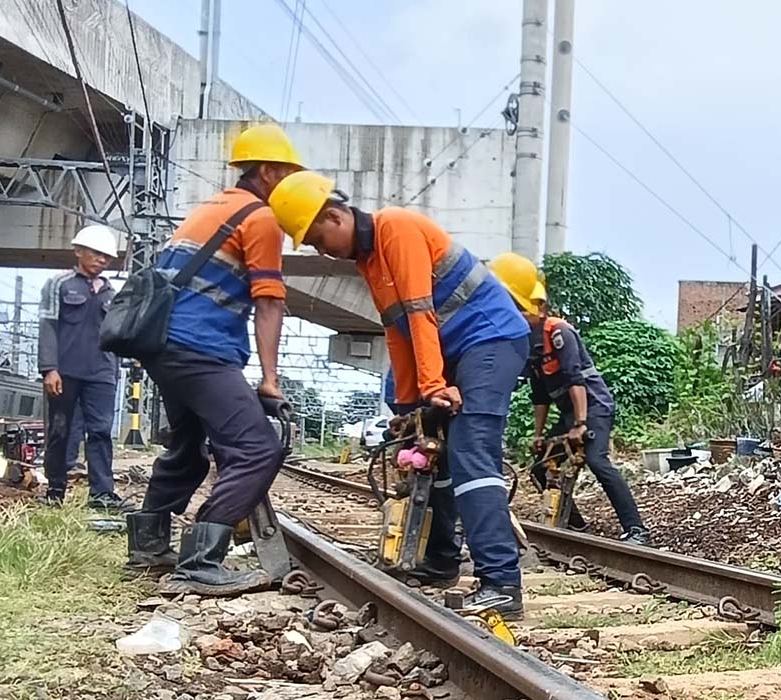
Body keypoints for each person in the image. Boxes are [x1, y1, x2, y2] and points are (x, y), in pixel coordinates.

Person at [266, 171, 530, 619]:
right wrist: (411, 408)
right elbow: (397, 334)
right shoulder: (370, 261)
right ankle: (442, 561)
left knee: (470, 451)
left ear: (335, 215)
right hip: (454, 352)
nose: (319, 250)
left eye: (316, 237)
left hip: (491, 341)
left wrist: (431, 387)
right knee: (435, 455)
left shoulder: (397, 228)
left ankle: (502, 581)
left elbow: (420, 311)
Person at [125, 124, 303, 595]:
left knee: (187, 445)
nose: (291, 185)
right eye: (287, 174)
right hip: (198, 349)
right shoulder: (261, 218)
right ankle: (200, 562)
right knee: (256, 449)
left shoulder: (212, 207)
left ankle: (147, 545)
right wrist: (269, 379)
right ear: (267, 172)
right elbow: (269, 301)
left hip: (164, 346)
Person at [489, 252, 653, 546]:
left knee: (596, 460)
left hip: (593, 407)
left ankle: (636, 529)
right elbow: (540, 395)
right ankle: (575, 527)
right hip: (569, 413)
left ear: (539, 307)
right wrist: (539, 435)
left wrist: (579, 423)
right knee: (541, 466)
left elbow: (575, 378)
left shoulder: (559, 331)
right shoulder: (525, 340)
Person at [37, 225, 130, 511]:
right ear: (78, 252)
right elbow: (48, 326)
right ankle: (55, 490)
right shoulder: (59, 284)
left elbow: (118, 334)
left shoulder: (113, 293)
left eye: (107, 257)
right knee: (61, 432)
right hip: (65, 373)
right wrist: (49, 368)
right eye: (96, 253)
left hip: (102, 374)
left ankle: (102, 494)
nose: (102, 260)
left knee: (101, 432)